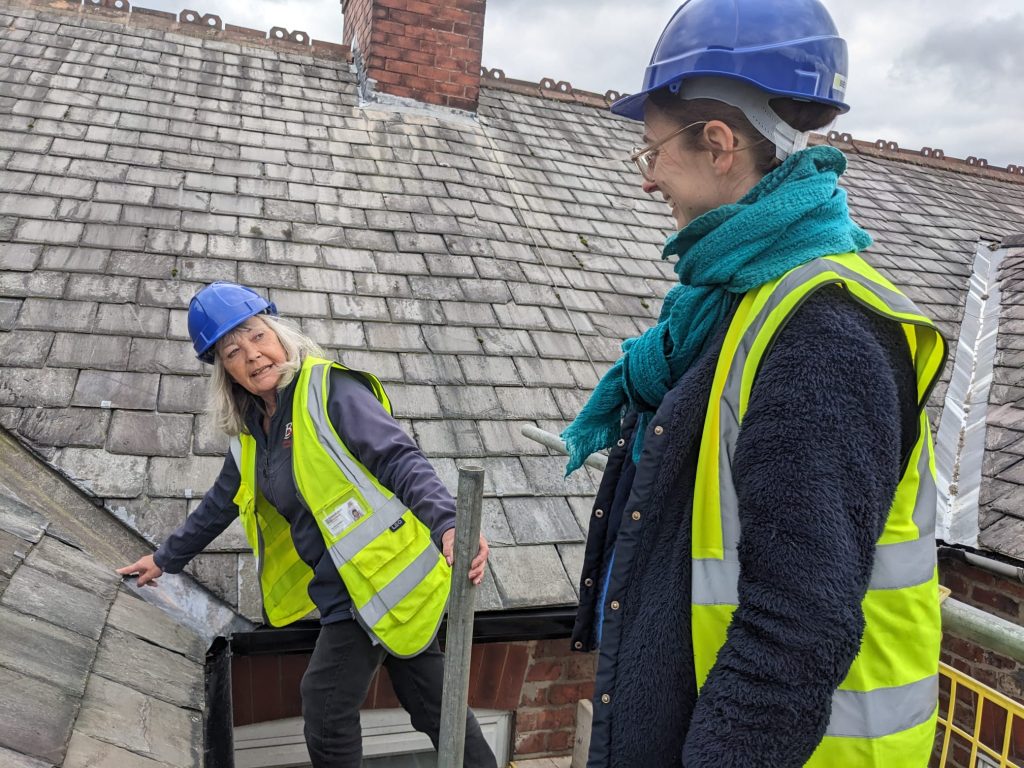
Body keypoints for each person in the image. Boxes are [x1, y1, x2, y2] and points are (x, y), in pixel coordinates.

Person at [561, 1, 947, 766]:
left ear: (718, 143)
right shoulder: (732, 301)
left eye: (651, 155)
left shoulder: (823, 334)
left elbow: (796, 631)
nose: (647, 184)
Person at [117, 282, 497, 768]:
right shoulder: (252, 431)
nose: (252, 355)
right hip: (355, 586)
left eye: (256, 336)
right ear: (224, 370)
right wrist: (164, 559)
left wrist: (448, 522)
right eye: (233, 351)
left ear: (277, 331)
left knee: (324, 704)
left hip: (377, 582)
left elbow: (399, 458)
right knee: (433, 703)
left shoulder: (328, 390)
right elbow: (221, 503)